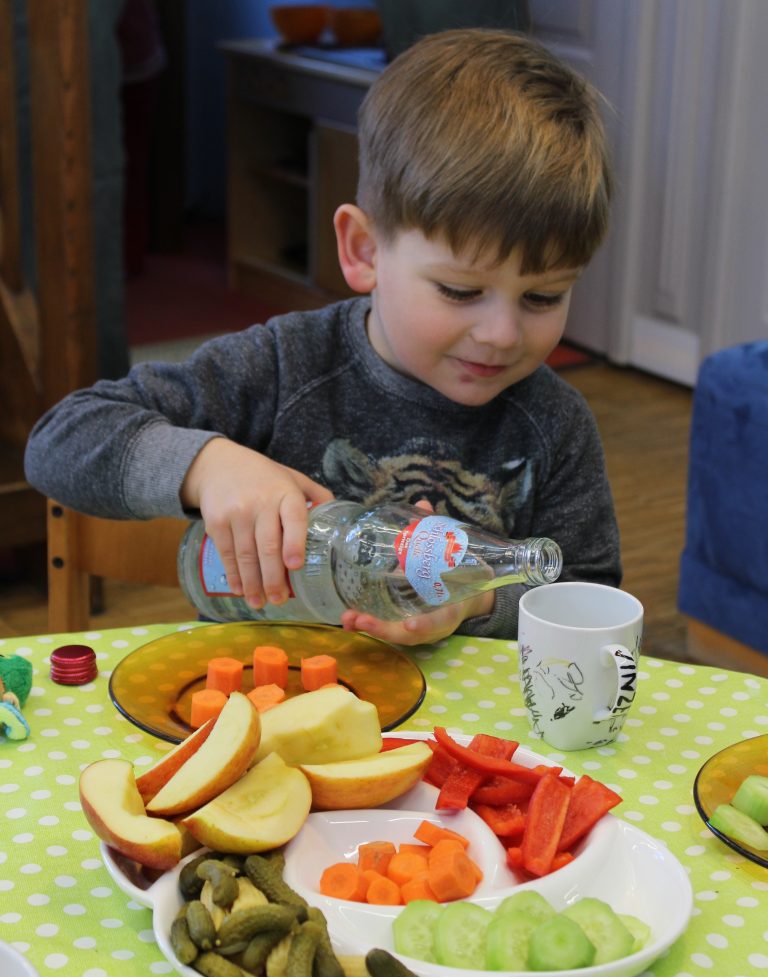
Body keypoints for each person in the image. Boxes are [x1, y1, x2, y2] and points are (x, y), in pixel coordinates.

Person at [24, 28, 620, 646]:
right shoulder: (283, 365)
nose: (501, 335)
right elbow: (61, 439)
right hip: (268, 704)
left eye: (543, 297)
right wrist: (209, 466)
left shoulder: (556, 424)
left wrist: (474, 603)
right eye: (460, 291)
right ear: (363, 251)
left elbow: (592, 595)